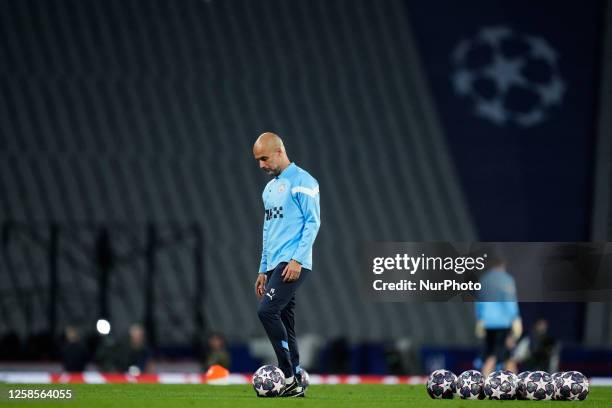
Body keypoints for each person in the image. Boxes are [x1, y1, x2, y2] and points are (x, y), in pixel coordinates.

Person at [252, 132, 321, 397]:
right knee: (284, 320)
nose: (261, 165)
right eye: (258, 160)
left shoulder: (304, 181)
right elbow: (268, 230)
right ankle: (297, 381)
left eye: (264, 158)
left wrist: (297, 260)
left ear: (279, 151)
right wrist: (262, 268)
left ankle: (288, 374)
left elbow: (313, 223)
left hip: (293, 262)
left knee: (266, 311)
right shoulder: (269, 189)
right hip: (274, 265)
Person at [475, 258, 522, 376]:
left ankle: (513, 381)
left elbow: (478, 302)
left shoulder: (483, 280)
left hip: (487, 322)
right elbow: (510, 300)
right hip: (503, 322)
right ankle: (486, 380)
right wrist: (515, 318)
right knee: (498, 353)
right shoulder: (506, 279)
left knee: (499, 353)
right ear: (502, 265)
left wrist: (480, 318)